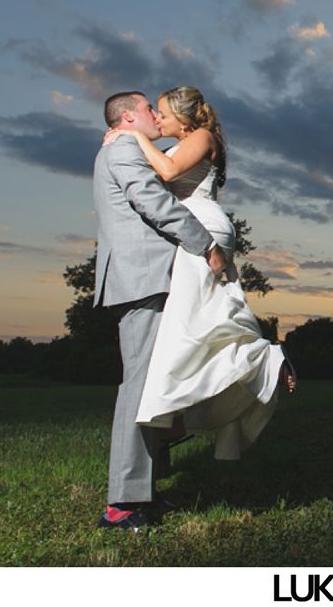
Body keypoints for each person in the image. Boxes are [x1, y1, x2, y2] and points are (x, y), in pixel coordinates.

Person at [104, 86, 296, 468]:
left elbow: (170, 171)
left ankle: (269, 360)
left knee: (201, 320)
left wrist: (133, 136)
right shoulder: (175, 142)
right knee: (193, 324)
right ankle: (171, 420)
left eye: (161, 114)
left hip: (204, 229)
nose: (156, 120)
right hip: (187, 230)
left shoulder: (202, 137)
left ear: (184, 117)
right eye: (152, 114)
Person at [93, 91, 227, 531]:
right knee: (139, 388)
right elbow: (154, 202)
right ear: (129, 116)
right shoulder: (125, 146)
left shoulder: (121, 146)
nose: (156, 114)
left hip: (144, 276)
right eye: (149, 109)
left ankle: (144, 492)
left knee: (155, 383)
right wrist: (203, 243)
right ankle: (123, 504)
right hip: (143, 276)